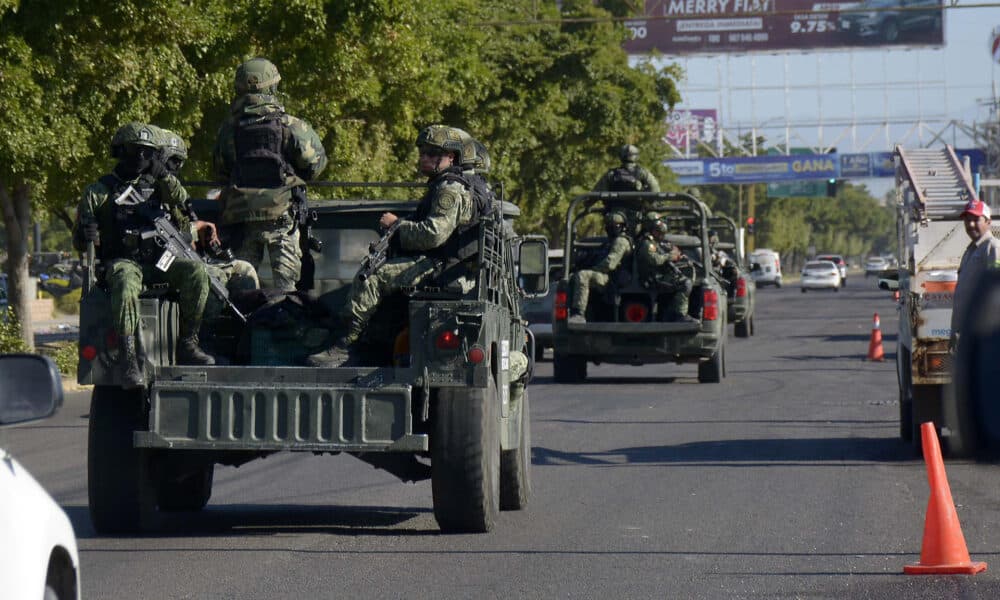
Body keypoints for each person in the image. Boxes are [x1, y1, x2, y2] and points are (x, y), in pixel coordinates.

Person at [306, 124, 478, 367]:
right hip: (447, 264)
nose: (424, 158)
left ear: (450, 157)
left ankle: (344, 347)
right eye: (422, 152)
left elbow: (433, 235)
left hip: (443, 266)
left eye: (431, 153)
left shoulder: (449, 189)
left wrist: (397, 225)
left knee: (372, 278)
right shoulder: (446, 185)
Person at [73, 123, 215, 387]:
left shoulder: (158, 185)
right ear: (120, 151)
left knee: (197, 272)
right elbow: (80, 243)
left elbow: (182, 201)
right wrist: (86, 234)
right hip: (123, 263)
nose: (140, 157)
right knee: (125, 281)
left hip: (159, 263)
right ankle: (129, 360)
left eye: (147, 152)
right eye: (134, 151)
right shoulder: (99, 191)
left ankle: (188, 344)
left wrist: (163, 176)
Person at [213, 57, 328, 292]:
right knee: (287, 293)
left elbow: (220, 170)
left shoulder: (228, 130)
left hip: (240, 222)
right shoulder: (292, 126)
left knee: (240, 293)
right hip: (282, 219)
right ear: (272, 87)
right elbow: (315, 165)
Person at [153, 127, 260, 308]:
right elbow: (160, 238)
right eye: (174, 162)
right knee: (211, 279)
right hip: (166, 266)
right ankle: (204, 335)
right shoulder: (149, 194)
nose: (177, 168)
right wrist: (196, 229)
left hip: (186, 259)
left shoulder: (172, 198)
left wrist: (200, 231)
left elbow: (182, 228)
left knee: (243, 269)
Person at [951, 198, 1000, 348]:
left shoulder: (992, 247)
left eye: (976, 219)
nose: (970, 224)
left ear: (988, 222)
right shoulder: (971, 250)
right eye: (967, 220)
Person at [568, 211, 633, 323]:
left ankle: (579, 314)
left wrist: (593, 270)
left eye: (615, 226)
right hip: (607, 277)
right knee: (573, 277)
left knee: (583, 276)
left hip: (613, 279)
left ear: (622, 227)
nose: (611, 229)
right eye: (609, 226)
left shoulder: (621, 241)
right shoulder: (609, 242)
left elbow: (610, 263)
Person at [637, 216, 695, 323]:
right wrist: (669, 256)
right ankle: (680, 315)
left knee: (685, 274)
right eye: (658, 232)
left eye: (662, 233)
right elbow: (655, 259)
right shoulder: (647, 243)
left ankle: (671, 314)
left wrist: (676, 255)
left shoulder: (655, 242)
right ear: (652, 230)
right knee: (685, 284)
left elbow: (664, 253)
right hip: (652, 279)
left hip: (658, 275)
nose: (661, 235)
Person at [593, 144, 660, 193]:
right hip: (639, 210)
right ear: (636, 157)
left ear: (621, 156)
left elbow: (595, 194)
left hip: (616, 210)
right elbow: (655, 189)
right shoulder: (644, 173)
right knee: (653, 213)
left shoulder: (611, 174)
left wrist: (587, 204)